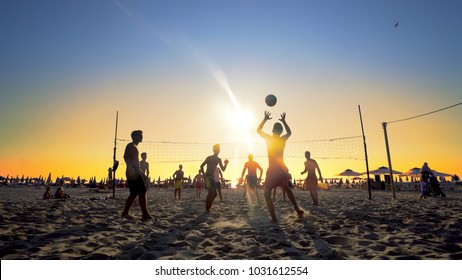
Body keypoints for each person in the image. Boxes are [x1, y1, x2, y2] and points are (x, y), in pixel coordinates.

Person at [257, 111, 304, 222]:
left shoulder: (269, 138)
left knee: (267, 193)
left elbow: (258, 130)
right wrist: (284, 121)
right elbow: (290, 132)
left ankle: (273, 218)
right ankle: (297, 209)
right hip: (281, 169)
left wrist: (264, 119)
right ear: (280, 131)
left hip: (273, 169)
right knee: (287, 189)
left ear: (273, 130)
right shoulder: (282, 139)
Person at [121, 130, 153, 221]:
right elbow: (126, 156)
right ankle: (145, 214)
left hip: (136, 171)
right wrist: (130, 168)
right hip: (132, 172)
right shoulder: (130, 145)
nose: (142, 137)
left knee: (134, 193)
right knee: (142, 191)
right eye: (140, 136)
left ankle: (125, 213)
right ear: (135, 137)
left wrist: (143, 174)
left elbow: (136, 163)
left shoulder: (134, 147)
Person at [200, 144, 229, 212]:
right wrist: (204, 175)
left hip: (212, 178)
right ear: (213, 150)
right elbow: (201, 166)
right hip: (207, 176)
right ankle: (207, 209)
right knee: (210, 192)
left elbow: (223, 169)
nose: (218, 150)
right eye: (216, 149)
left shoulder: (218, 159)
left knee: (215, 194)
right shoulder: (209, 157)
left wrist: (226, 164)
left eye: (218, 149)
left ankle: (209, 207)